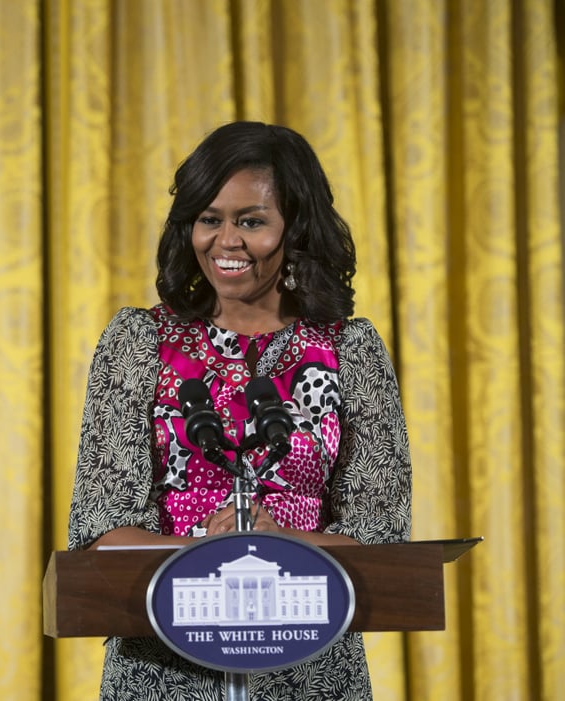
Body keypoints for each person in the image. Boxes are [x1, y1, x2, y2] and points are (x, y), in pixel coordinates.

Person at [66, 121, 412, 700]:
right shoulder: (138, 342)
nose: (225, 241)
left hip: (311, 674)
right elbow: (99, 531)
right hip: (164, 673)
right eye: (209, 219)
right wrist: (213, 551)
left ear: (295, 228)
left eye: (250, 221)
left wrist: (281, 544)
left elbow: (380, 540)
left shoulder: (350, 351)